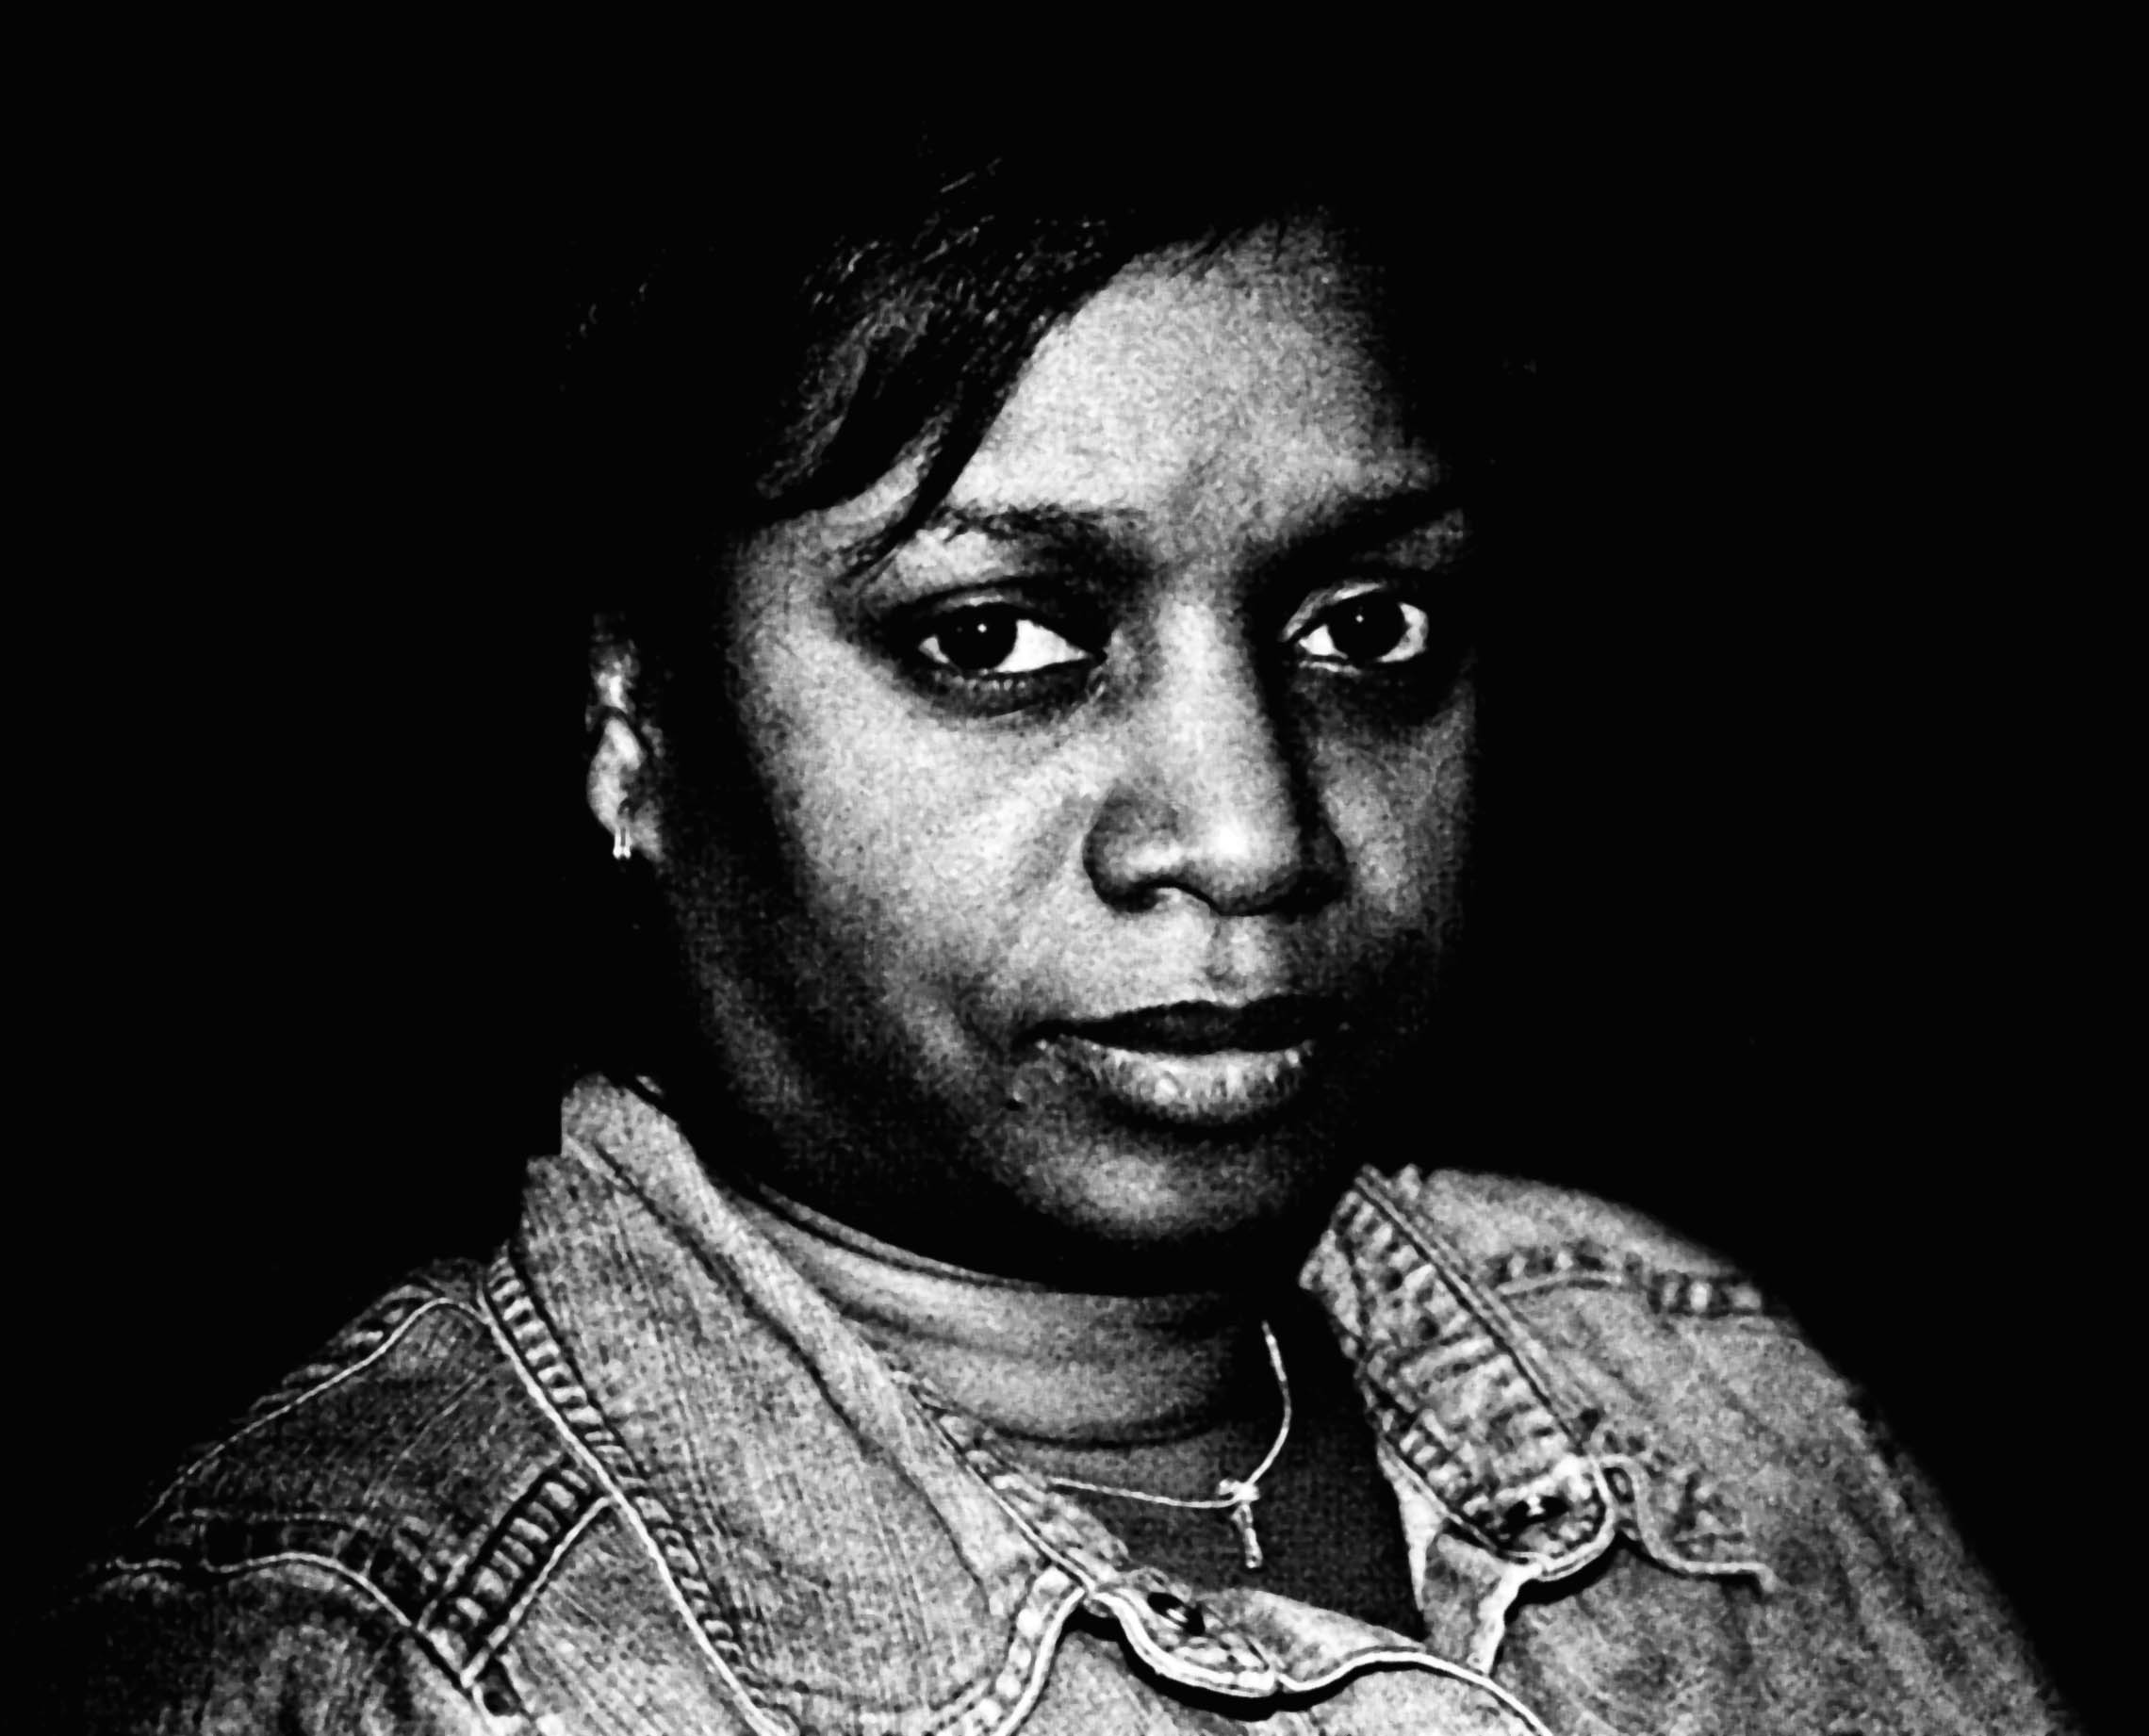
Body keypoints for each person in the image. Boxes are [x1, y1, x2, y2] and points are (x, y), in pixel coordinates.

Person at [43, 136, 2069, 1733]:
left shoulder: (1674, 1371)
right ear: (631, 716)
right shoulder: (404, 1669)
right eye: (999, 637)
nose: (1251, 835)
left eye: (1365, 627)